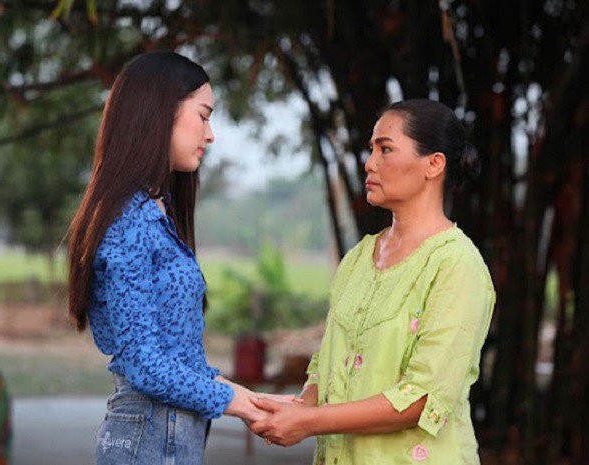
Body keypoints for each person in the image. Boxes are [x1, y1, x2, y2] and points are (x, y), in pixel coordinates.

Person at [66, 51, 292, 465]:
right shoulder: (128, 222)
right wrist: (238, 403)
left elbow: (178, 358)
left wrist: (251, 399)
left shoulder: (156, 214)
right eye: (203, 116)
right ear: (161, 111)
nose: (211, 135)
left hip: (168, 434)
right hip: (149, 437)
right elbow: (145, 365)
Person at [250, 99, 496, 465]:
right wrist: (298, 408)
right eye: (371, 150)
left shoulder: (457, 266)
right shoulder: (358, 258)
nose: (369, 163)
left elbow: (421, 398)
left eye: (386, 149)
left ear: (434, 164)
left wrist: (310, 422)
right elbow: (326, 362)